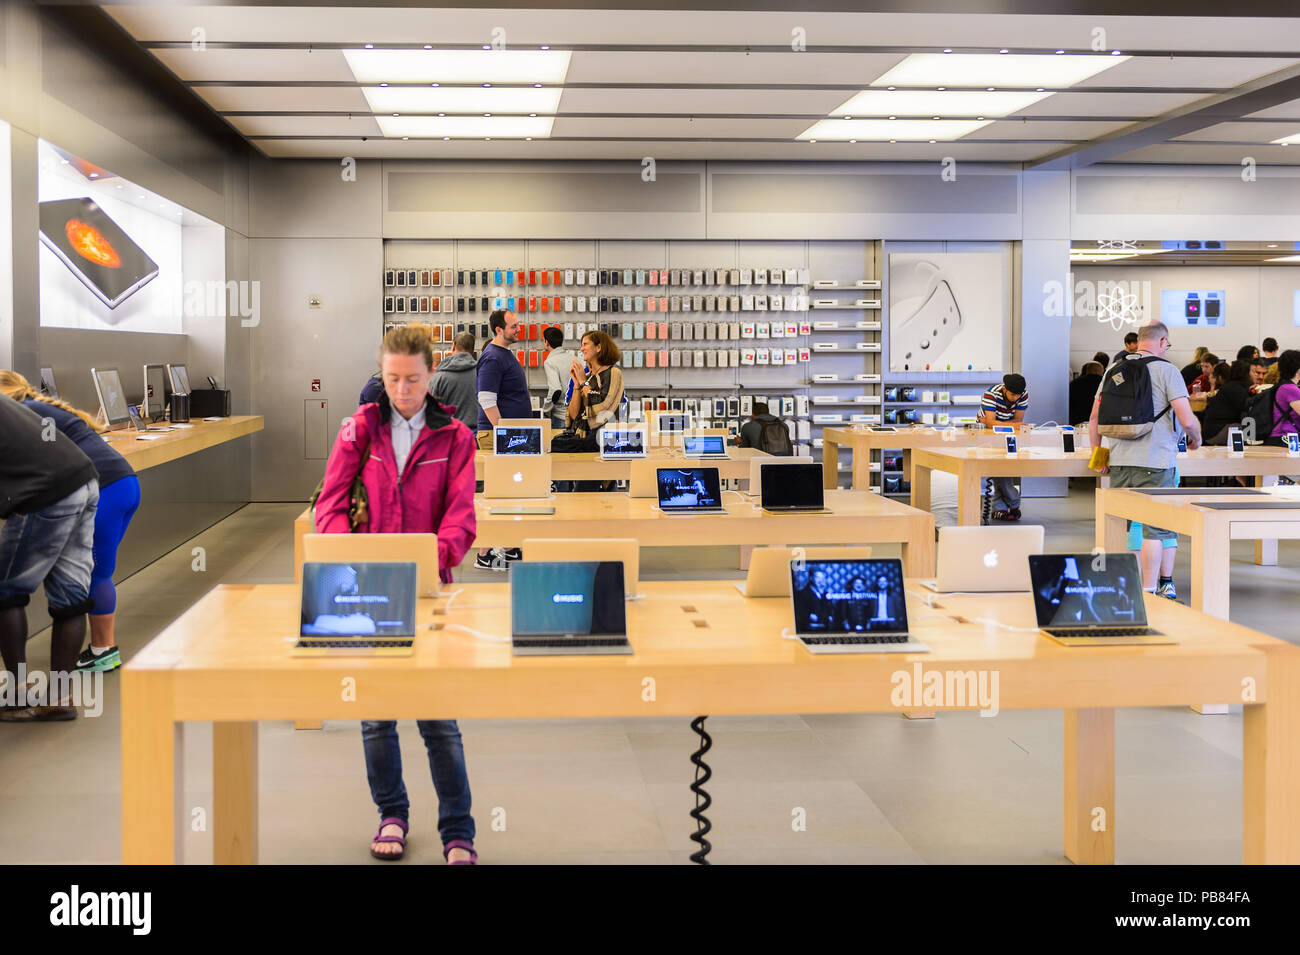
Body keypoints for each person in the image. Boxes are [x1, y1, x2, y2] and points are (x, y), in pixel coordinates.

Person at [316, 325, 479, 865]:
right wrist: (353, 563)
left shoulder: (455, 436)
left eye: (412, 379)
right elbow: (329, 505)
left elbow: (461, 518)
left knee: (439, 720)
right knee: (377, 716)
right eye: (392, 379)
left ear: (431, 373)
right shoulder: (358, 430)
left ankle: (458, 830)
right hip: (368, 593)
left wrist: (425, 563)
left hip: (430, 593)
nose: (402, 390)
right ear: (381, 374)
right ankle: (392, 813)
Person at [1, 372, 139, 673]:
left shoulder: (21, 413)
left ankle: (102, 651)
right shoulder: (39, 407)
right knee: (90, 577)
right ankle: (77, 677)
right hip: (121, 483)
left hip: (101, 487)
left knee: (91, 576)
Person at [0, 397, 100, 721]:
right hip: (83, 479)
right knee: (71, 599)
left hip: (47, 493)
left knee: (5, 591)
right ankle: (60, 697)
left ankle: (16, 693)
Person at [1089, 321, 1202, 599]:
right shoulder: (1168, 370)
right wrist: (1196, 437)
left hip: (1119, 460)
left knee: (1126, 524)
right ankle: (1149, 591)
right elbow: (1186, 418)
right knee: (1156, 528)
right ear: (1162, 341)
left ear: (1139, 341)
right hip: (1156, 462)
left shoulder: (1113, 371)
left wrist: (1099, 456)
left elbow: (1094, 418)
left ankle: (1125, 586)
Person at [474, 309, 531, 568]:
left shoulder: (504, 355)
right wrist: (504, 434)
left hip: (508, 438)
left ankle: (504, 548)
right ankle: (485, 552)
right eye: (513, 326)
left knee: (506, 493)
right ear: (498, 329)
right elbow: (486, 398)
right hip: (498, 438)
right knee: (500, 493)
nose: (518, 329)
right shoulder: (492, 358)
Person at [980, 373, 1028, 521]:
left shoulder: (1023, 395)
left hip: (1008, 433)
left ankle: (999, 508)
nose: (1015, 398)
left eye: (1017, 395)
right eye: (1012, 394)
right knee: (996, 468)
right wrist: (1009, 424)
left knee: (1005, 467)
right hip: (987, 434)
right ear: (1004, 388)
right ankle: (1012, 503)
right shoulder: (991, 394)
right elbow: (989, 423)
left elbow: (1018, 421)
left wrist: (997, 423)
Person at [565, 329, 625, 439]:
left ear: (598, 347)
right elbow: (574, 415)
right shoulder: (588, 377)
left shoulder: (613, 373)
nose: (581, 349)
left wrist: (583, 382)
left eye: (585, 344)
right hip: (583, 438)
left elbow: (603, 406)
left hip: (605, 439)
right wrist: (577, 384)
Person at [432, 332, 479, 431]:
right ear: (473, 350)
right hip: (476, 434)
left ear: (453, 346)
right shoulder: (481, 373)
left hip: (449, 433)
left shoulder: (439, 376)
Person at [1202, 362, 1250, 444]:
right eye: (1256, 372)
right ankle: (1253, 449)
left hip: (1212, 431)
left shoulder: (1230, 387)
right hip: (1218, 432)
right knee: (1249, 425)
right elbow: (1247, 410)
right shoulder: (1235, 389)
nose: (1260, 376)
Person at [541, 327, 577, 431]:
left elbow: (555, 390)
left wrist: (546, 410)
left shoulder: (550, 362)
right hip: (577, 416)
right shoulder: (576, 360)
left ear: (546, 342)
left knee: (558, 446)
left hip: (560, 417)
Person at [1265, 349, 1300, 447]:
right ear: (1298, 369)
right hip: (1286, 437)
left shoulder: (1283, 386)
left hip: (1281, 437)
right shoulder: (1291, 389)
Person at [1068, 361, 1104, 426]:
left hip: (1077, 420)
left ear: (1087, 371)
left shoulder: (1074, 383)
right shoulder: (1104, 384)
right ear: (1098, 371)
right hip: (1098, 421)